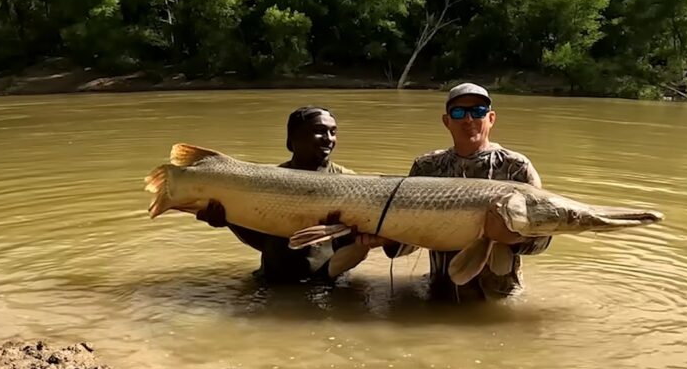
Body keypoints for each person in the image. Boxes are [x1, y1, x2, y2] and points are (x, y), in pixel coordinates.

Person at [359, 83, 552, 301]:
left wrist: (513, 238)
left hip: (499, 294)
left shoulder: (516, 167)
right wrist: (389, 239)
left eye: (478, 111)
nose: (468, 119)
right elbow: (412, 235)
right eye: (459, 112)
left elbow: (542, 237)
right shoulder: (427, 167)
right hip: (439, 292)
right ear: (447, 121)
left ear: (491, 118)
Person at [195, 106, 355, 283]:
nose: (329, 139)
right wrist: (229, 221)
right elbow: (263, 242)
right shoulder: (267, 181)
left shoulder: (350, 182)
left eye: (333, 132)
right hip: (271, 280)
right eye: (319, 131)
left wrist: (341, 233)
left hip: (328, 283)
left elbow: (357, 244)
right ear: (292, 137)